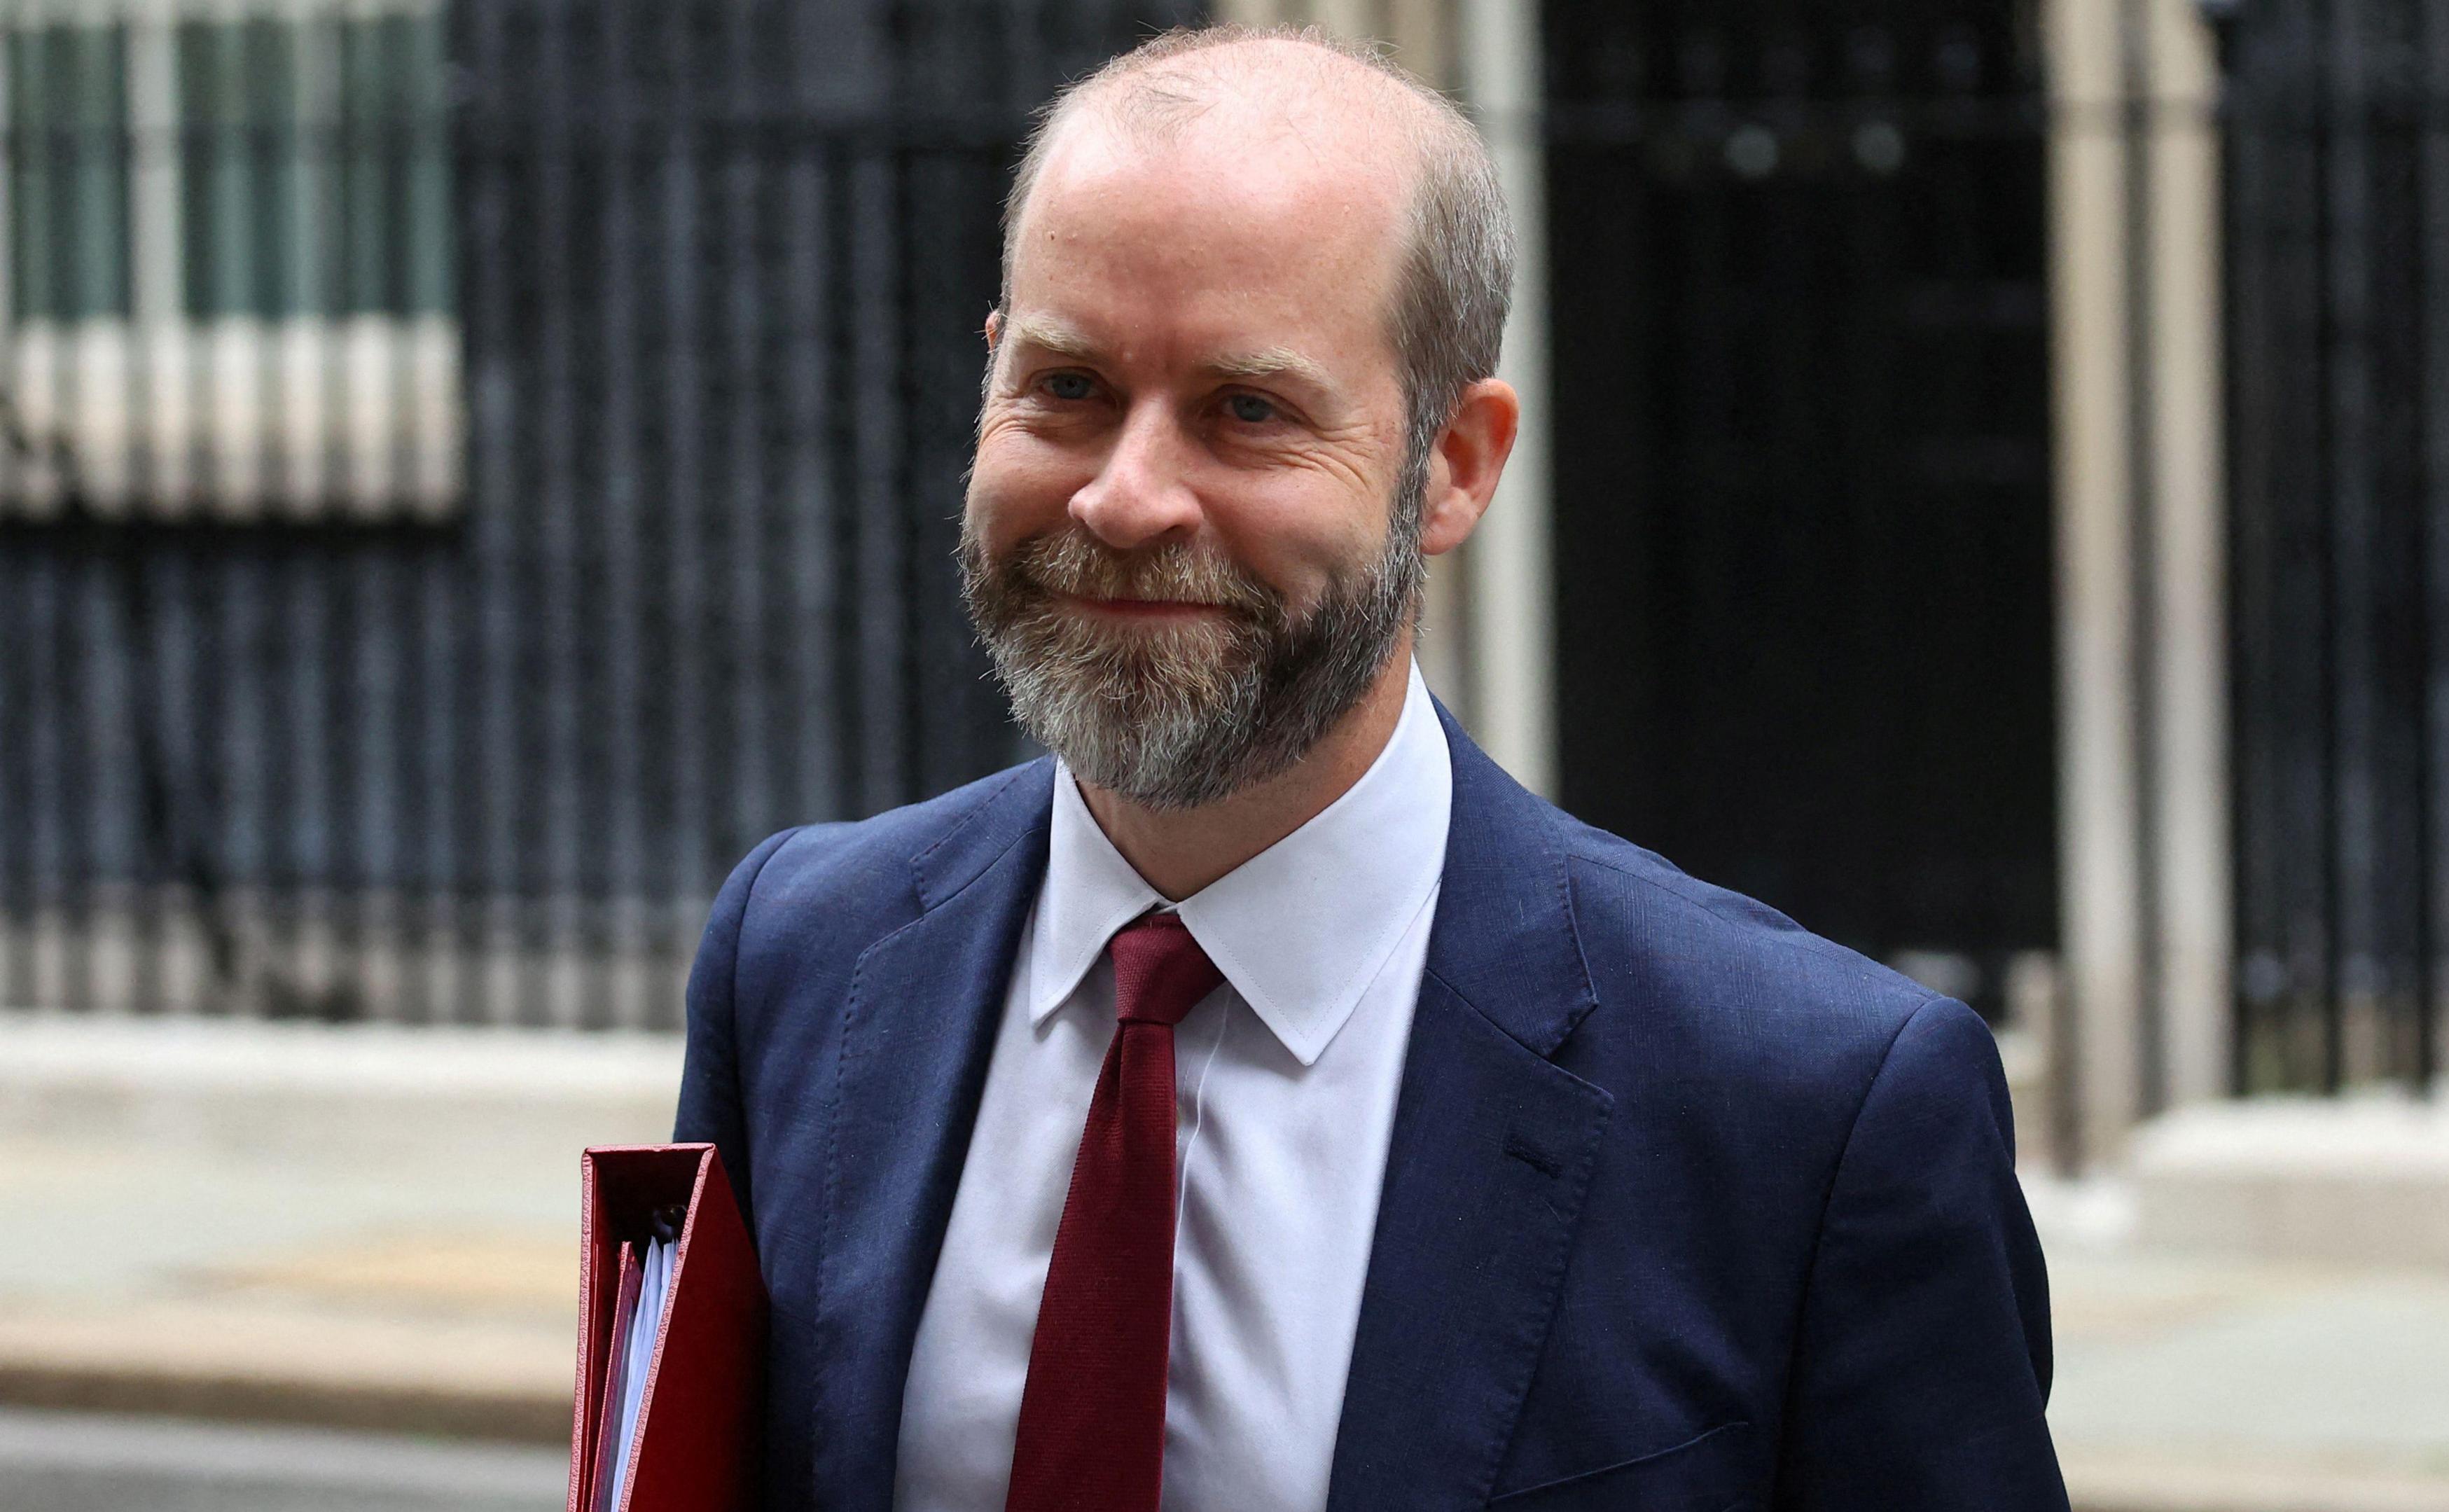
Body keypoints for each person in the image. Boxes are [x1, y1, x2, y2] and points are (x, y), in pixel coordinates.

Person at [674, 24, 2064, 1512]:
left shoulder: (1814, 1110)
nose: (1128, 496)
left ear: (1455, 464)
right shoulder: (802, 957)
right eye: (1067, 387)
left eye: (1248, 411)